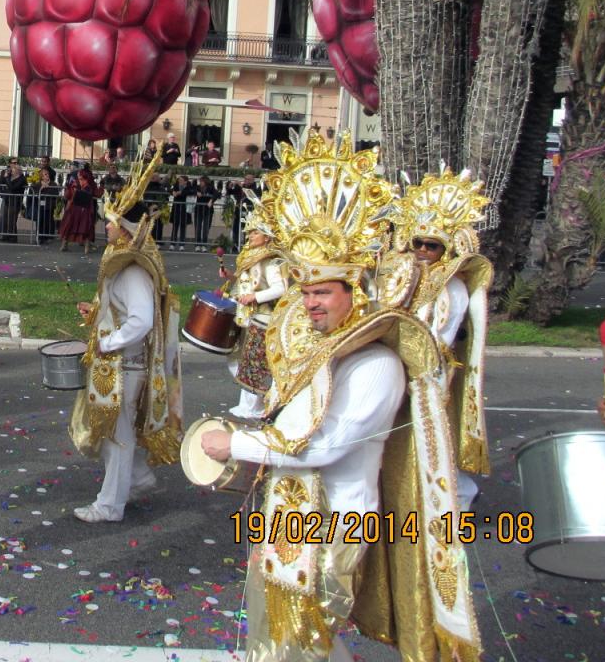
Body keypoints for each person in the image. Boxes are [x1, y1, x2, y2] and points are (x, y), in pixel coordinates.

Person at [202, 131, 483, 662]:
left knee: (303, 648)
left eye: (323, 292)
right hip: (290, 515)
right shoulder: (319, 349)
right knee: (278, 644)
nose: (309, 305)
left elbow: (324, 447)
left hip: (336, 525)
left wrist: (234, 445)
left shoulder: (377, 365)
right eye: (304, 292)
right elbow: (288, 424)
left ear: (356, 291)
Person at [71, 157, 182, 523]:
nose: (105, 226)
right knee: (111, 434)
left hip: (126, 365)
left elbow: (142, 320)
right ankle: (137, 478)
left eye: (112, 221)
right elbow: (121, 311)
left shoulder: (134, 272)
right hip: (116, 363)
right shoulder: (122, 265)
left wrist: (109, 341)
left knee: (116, 436)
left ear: (127, 228)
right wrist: (96, 312)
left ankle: (110, 506)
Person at [394, 166, 493, 509]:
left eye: (431, 246)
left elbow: (441, 337)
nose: (422, 250)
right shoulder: (406, 276)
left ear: (445, 249)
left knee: (431, 436)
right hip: (402, 364)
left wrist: (415, 365)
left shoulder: (452, 287)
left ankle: (459, 496)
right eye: (417, 243)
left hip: (429, 371)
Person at [224, 221, 284, 419]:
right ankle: (249, 405)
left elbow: (280, 288)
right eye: (249, 233)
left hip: (264, 319)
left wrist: (255, 298)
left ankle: (255, 408)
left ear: (266, 237)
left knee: (255, 364)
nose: (250, 236)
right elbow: (245, 284)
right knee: (242, 360)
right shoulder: (252, 258)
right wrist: (231, 277)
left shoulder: (272, 261)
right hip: (249, 317)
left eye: (255, 233)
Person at [58, 163, 100, 254]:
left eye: (79, 175)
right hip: (82, 209)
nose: (77, 175)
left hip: (78, 208)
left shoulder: (79, 184)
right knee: (83, 226)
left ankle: (66, 246)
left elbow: (68, 195)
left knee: (75, 226)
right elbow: (96, 193)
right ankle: (84, 248)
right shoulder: (85, 184)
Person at [226, 172, 261, 250]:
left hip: (248, 210)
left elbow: (251, 194)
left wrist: (241, 186)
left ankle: (247, 245)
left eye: (248, 179)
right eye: (245, 179)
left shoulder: (254, 187)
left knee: (247, 228)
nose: (246, 181)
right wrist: (229, 187)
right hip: (239, 209)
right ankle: (235, 245)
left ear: (252, 180)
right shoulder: (240, 187)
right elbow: (230, 192)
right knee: (236, 227)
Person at [27, 156, 57, 245]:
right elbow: (32, 192)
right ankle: (39, 237)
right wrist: (41, 189)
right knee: (40, 220)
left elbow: (55, 193)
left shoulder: (53, 184)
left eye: (47, 174)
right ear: (41, 176)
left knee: (48, 220)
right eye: (45, 174)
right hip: (39, 205)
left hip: (49, 205)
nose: (47, 176)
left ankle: (47, 236)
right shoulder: (37, 184)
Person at [0, 159, 27, 242]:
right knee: (5, 217)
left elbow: (13, 188)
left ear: (18, 171)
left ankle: (12, 237)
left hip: (15, 201)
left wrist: (7, 179)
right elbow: (0, 185)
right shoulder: (9, 176)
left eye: (14, 170)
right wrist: (3, 194)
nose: (12, 171)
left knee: (12, 219)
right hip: (7, 199)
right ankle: (5, 235)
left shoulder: (22, 178)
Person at [191, 174, 219, 246]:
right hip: (199, 210)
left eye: (201, 181)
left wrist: (211, 201)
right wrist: (196, 192)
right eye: (200, 181)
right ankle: (197, 244)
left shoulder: (211, 188)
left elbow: (217, 194)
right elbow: (190, 190)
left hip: (208, 211)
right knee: (198, 227)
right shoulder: (197, 187)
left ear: (205, 182)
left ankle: (204, 244)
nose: (200, 183)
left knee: (206, 228)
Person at [169, 175, 191, 249]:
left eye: (181, 180)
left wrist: (180, 192)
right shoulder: (176, 185)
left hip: (185, 209)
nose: (179, 181)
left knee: (183, 227)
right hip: (176, 208)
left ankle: (182, 244)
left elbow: (191, 192)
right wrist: (173, 192)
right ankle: (172, 243)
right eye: (179, 180)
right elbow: (170, 190)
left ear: (185, 181)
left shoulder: (188, 186)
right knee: (175, 226)